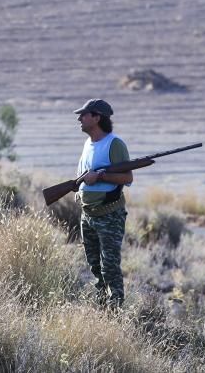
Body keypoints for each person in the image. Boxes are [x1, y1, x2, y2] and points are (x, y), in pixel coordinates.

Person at [73, 98, 132, 308]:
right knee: (95, 267)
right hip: (88, 215)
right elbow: (81, 175)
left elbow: (127, 178)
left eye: (84, 115)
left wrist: (100, 177)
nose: (79, 118)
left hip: (109, 215)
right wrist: (79, 190)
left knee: (110, 268)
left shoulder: (114, 144)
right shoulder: (88, 143)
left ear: (97, 118)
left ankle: (115, 312)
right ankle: (102, 308)